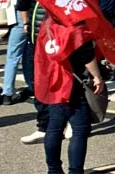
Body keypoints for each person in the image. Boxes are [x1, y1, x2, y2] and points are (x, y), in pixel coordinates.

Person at [40, 19, 105, 174]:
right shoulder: (75, 25)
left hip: (53, 78)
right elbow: (85, 54)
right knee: (80, 130)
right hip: (73, 80)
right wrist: (97, 77)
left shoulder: (47, 22)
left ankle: (53, 169)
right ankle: (75, 171)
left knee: (54, 128)